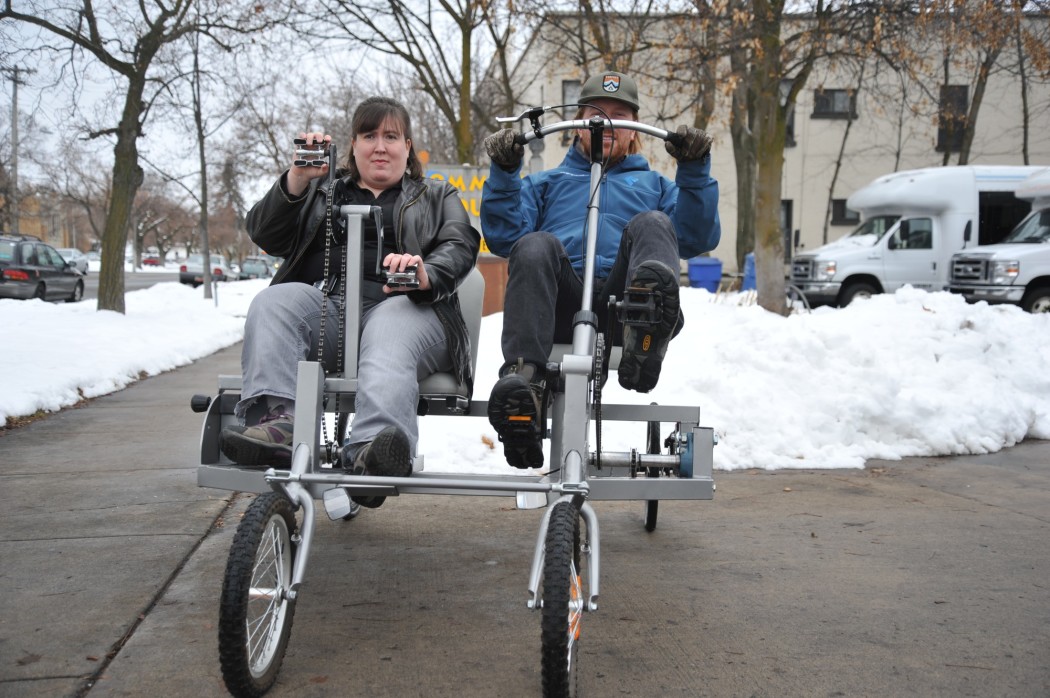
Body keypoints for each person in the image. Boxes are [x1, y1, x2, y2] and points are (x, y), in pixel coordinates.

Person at [220, 96, 480, 507]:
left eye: (391, 136)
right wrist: (297, 179)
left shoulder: (435, 194)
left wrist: (424, 272)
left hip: (413, 314)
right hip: (333, 313)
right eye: (369, 135)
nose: (380, 146)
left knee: (390, 322)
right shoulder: (321, 192)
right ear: (353, 146)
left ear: (408, 146)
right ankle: (279, 425)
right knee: (275, 301)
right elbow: (265, 234)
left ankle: (371, 451)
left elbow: (460, 242)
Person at [480, 71, 720, 470]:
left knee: (655, 223)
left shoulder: (656, 187)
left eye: (619, 116)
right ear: (577, 126)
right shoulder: (546, 184)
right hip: (559, 310)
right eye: (595, 113)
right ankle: (525, 384)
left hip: (624, 309)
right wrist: (505, 173)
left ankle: (646, 336)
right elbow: (505, 238)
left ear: (633, 131)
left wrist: (693, 170)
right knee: (535, 243)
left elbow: (696, 237)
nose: (605, 123)